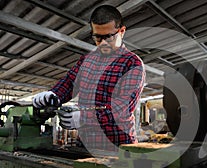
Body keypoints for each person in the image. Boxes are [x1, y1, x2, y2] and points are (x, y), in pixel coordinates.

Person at [33, 5, 145, 151]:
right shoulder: (87, 60)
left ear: (122, 31)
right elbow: (69, 83)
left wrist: (83, 117)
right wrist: (53, 95)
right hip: (85, 145)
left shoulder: (132, 64)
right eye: (98, 37)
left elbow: (121, 108)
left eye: (109, 37)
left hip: (117, 146)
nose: (103, 43)